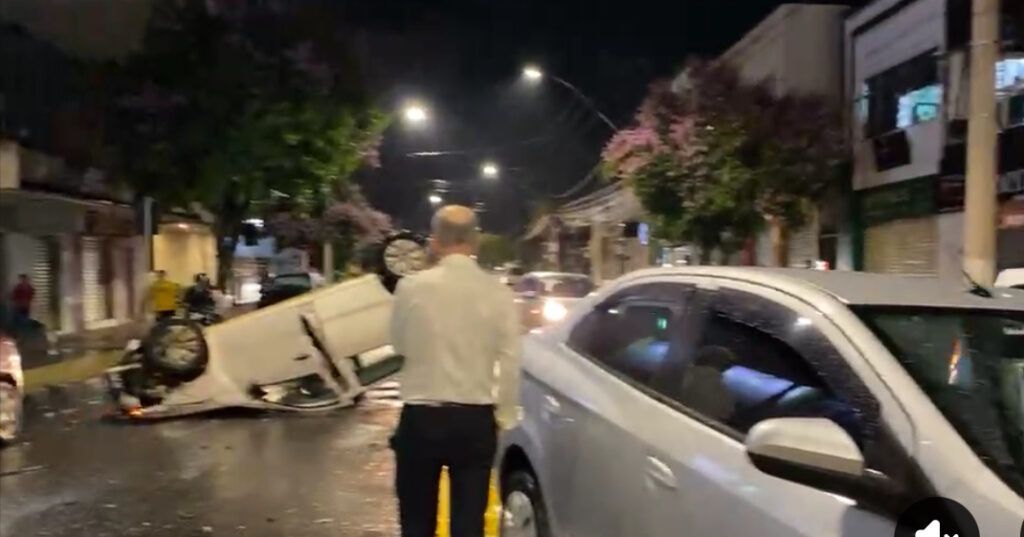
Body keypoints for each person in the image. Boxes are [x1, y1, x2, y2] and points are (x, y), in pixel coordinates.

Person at [389, 205, 521, 537]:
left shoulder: (410, 288)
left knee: (417, 523)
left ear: (434, 242)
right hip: (475, 421)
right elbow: (510, 361)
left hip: (420, 418)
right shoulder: (499, 293)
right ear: (475, 242)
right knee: (468, 525)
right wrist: (503, 416)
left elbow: (399, 345)